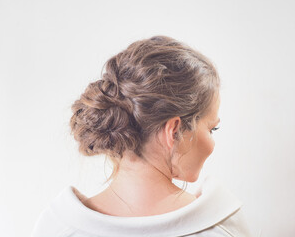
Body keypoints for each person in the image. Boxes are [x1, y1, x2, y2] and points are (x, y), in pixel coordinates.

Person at [31, 36, 253, 236]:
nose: (212, 143)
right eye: (211, 129)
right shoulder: (223, 229)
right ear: (173, 131)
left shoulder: (56, 228)